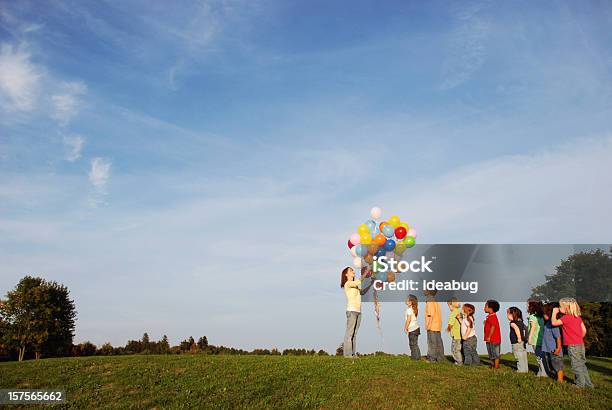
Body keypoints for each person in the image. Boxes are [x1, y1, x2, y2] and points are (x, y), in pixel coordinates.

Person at [552, 298, 594, 388]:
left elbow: (554, 323)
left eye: (560, 306)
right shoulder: (578, 318)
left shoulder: (566, 317)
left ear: (566, 308)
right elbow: (584, 330)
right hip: (580, 344)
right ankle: (588, 384)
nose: (559, 308)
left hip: (573, 345)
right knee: (582, 364)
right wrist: (578, 338)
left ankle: (580, 384)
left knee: (576, 365)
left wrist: (554, 313)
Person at [340, 266, 373, 358]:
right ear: (346, 274)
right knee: (349, 333)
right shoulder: (348, 284)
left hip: (358, 311)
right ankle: (347, 355)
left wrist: (371, 284)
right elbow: (358, 281)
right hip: (351, 311)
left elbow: (362, 292)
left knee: (354, 334)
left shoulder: (355, 286)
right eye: (351, 270)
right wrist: (366, 272)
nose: (353, 271)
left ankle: (353, 354)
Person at [541, 303, 564, 382]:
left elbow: (558, 337)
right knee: (552, 364)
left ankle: (560, 380)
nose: (543, 315)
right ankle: (555, 377)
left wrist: (558, 348)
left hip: (554, 349)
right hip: (548, 349)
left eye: (544, 313)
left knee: (558, 365)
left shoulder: (553, 325)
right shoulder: (547, 324)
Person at [527, 299, 546, 377]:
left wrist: (529, 339)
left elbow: (533, 328)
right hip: (541, 339)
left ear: (531, 307)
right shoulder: (541, 317)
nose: (527, 307)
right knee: (542, 356)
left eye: (528, 305)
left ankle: (543, 373)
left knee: (539, 357)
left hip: (535, 340)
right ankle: (541, 372)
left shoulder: (532, 317)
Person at [424, 289, 444, 362]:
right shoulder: (435, 300)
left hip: (432, 325)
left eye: (425, 289)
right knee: (438, 342)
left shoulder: (429, 300)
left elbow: (431, 314)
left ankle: (431, 358)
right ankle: (440, 358)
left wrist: (428, 325)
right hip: (437, 324)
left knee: (432, 342)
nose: (424, 290)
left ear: (429, 291)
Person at [507, 306, 528, 373]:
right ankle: (525, 369)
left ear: (513, 314)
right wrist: (525, 337)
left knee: (518, 357)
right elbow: (526, 328)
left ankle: (521, 370)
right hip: (522, 342)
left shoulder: (512, 323)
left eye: (508, 314)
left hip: (516, 342)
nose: (507, 316)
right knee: (523, 356)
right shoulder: (521, 322)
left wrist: (519, 338)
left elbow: (516, 329)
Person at [483, 299, 501, 369]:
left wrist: (489, 337)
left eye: (485, 306)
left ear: (490, 308)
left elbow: (493, 327)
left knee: (495, 353)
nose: (484, 308)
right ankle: (493, 365)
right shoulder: (490, 316)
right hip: (490, 339)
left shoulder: (493, 316)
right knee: (491, 353)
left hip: (494, 339)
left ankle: (496, 366)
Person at [404, 294, 421, 360]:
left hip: (412, 329)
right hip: (416, 328)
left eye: (407, 299)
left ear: (411, 302)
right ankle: (418, 357)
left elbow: (408, 320)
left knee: (412, 344)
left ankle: (415, 358)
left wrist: (406, 328)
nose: (405, 300)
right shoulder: (414, 309)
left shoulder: (409, 310)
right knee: (415, 344)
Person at [446, 298, 462, 365]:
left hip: (456, 335)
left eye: (448, 305)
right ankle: (460, 360)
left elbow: (451, 323)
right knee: (458, 349)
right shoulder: (459, 311)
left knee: (454, 349)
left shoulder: (453, 313)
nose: (448, 307)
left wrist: (448, 329)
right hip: (460, 334)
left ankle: (458, 362)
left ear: (451, 305)